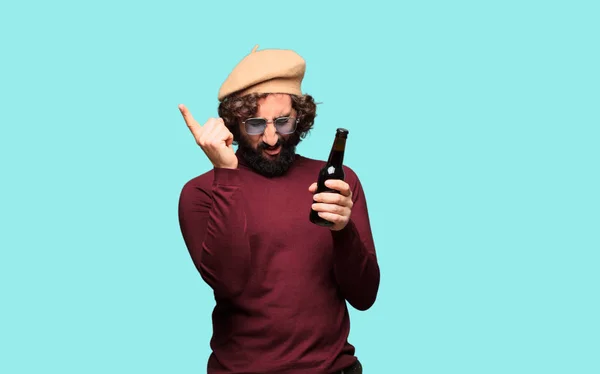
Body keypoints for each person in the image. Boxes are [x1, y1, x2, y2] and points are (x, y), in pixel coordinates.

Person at [177, 45, 380, 374]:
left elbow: (364, 295)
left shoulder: (337, 183)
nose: (272, 138)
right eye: (255, 124)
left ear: (300, 118)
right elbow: (229, 284)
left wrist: (344, 230)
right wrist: (226, 176)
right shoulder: (202, 192)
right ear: (234, 122)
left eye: (283, 122)